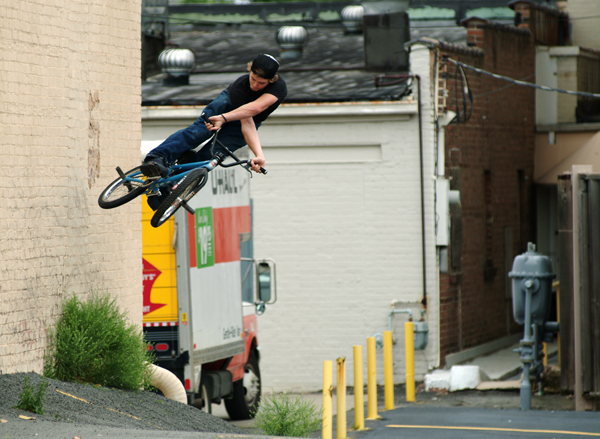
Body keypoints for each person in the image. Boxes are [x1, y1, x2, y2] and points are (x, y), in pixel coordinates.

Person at [141, 54, 287, 185]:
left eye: (261, 83)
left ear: (271, 80)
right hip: (228, 104)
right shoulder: (239, 88)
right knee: (199, 132)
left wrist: (259, 156)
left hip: (247, 120)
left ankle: (172, 184)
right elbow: (247, 119)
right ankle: (157, 157)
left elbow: (253, 114)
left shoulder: (278, 88)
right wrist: (223, 117)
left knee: (213, 154)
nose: (255, 85)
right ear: (249, 70)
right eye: (253, 79)